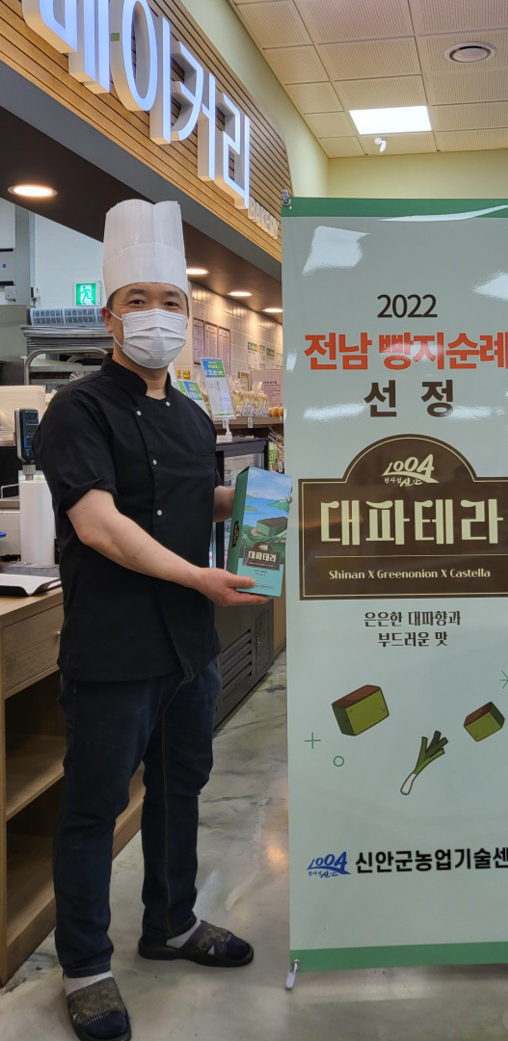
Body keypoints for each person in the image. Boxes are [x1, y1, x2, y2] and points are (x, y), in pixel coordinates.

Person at [34, 200, 266, 1041]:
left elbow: (194, 498)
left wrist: (271, 502)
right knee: (94, 806)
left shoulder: (192, 414)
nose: (156, 316)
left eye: (170, 300)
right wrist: (198, 574)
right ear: (110, 314)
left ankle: (171, 922)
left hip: (188, 644)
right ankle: (86, 967)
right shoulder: (77, 409)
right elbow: (98, 523)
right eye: (138, 300)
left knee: (180, 788)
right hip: (116, 644)